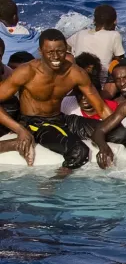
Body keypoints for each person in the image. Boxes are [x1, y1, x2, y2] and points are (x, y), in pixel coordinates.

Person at [0, 29, 110, 170]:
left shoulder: (75, 73)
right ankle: (53, 183)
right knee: (79, 152)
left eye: (60, 51)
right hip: (35, 124)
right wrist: (19, 129)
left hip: (60, 119)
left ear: (67, 49)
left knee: (119, 133)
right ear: (40, 51)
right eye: (50, 52)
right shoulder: (26, 72)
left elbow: (101, 108)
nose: (56, 57)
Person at [66, 4, 125, 75]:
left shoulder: (80, 33)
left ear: (94, 20)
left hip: (79, 75)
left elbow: (65, 45)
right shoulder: (115, 35)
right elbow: (120, 59)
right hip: (101, 79)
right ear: (115, 21)